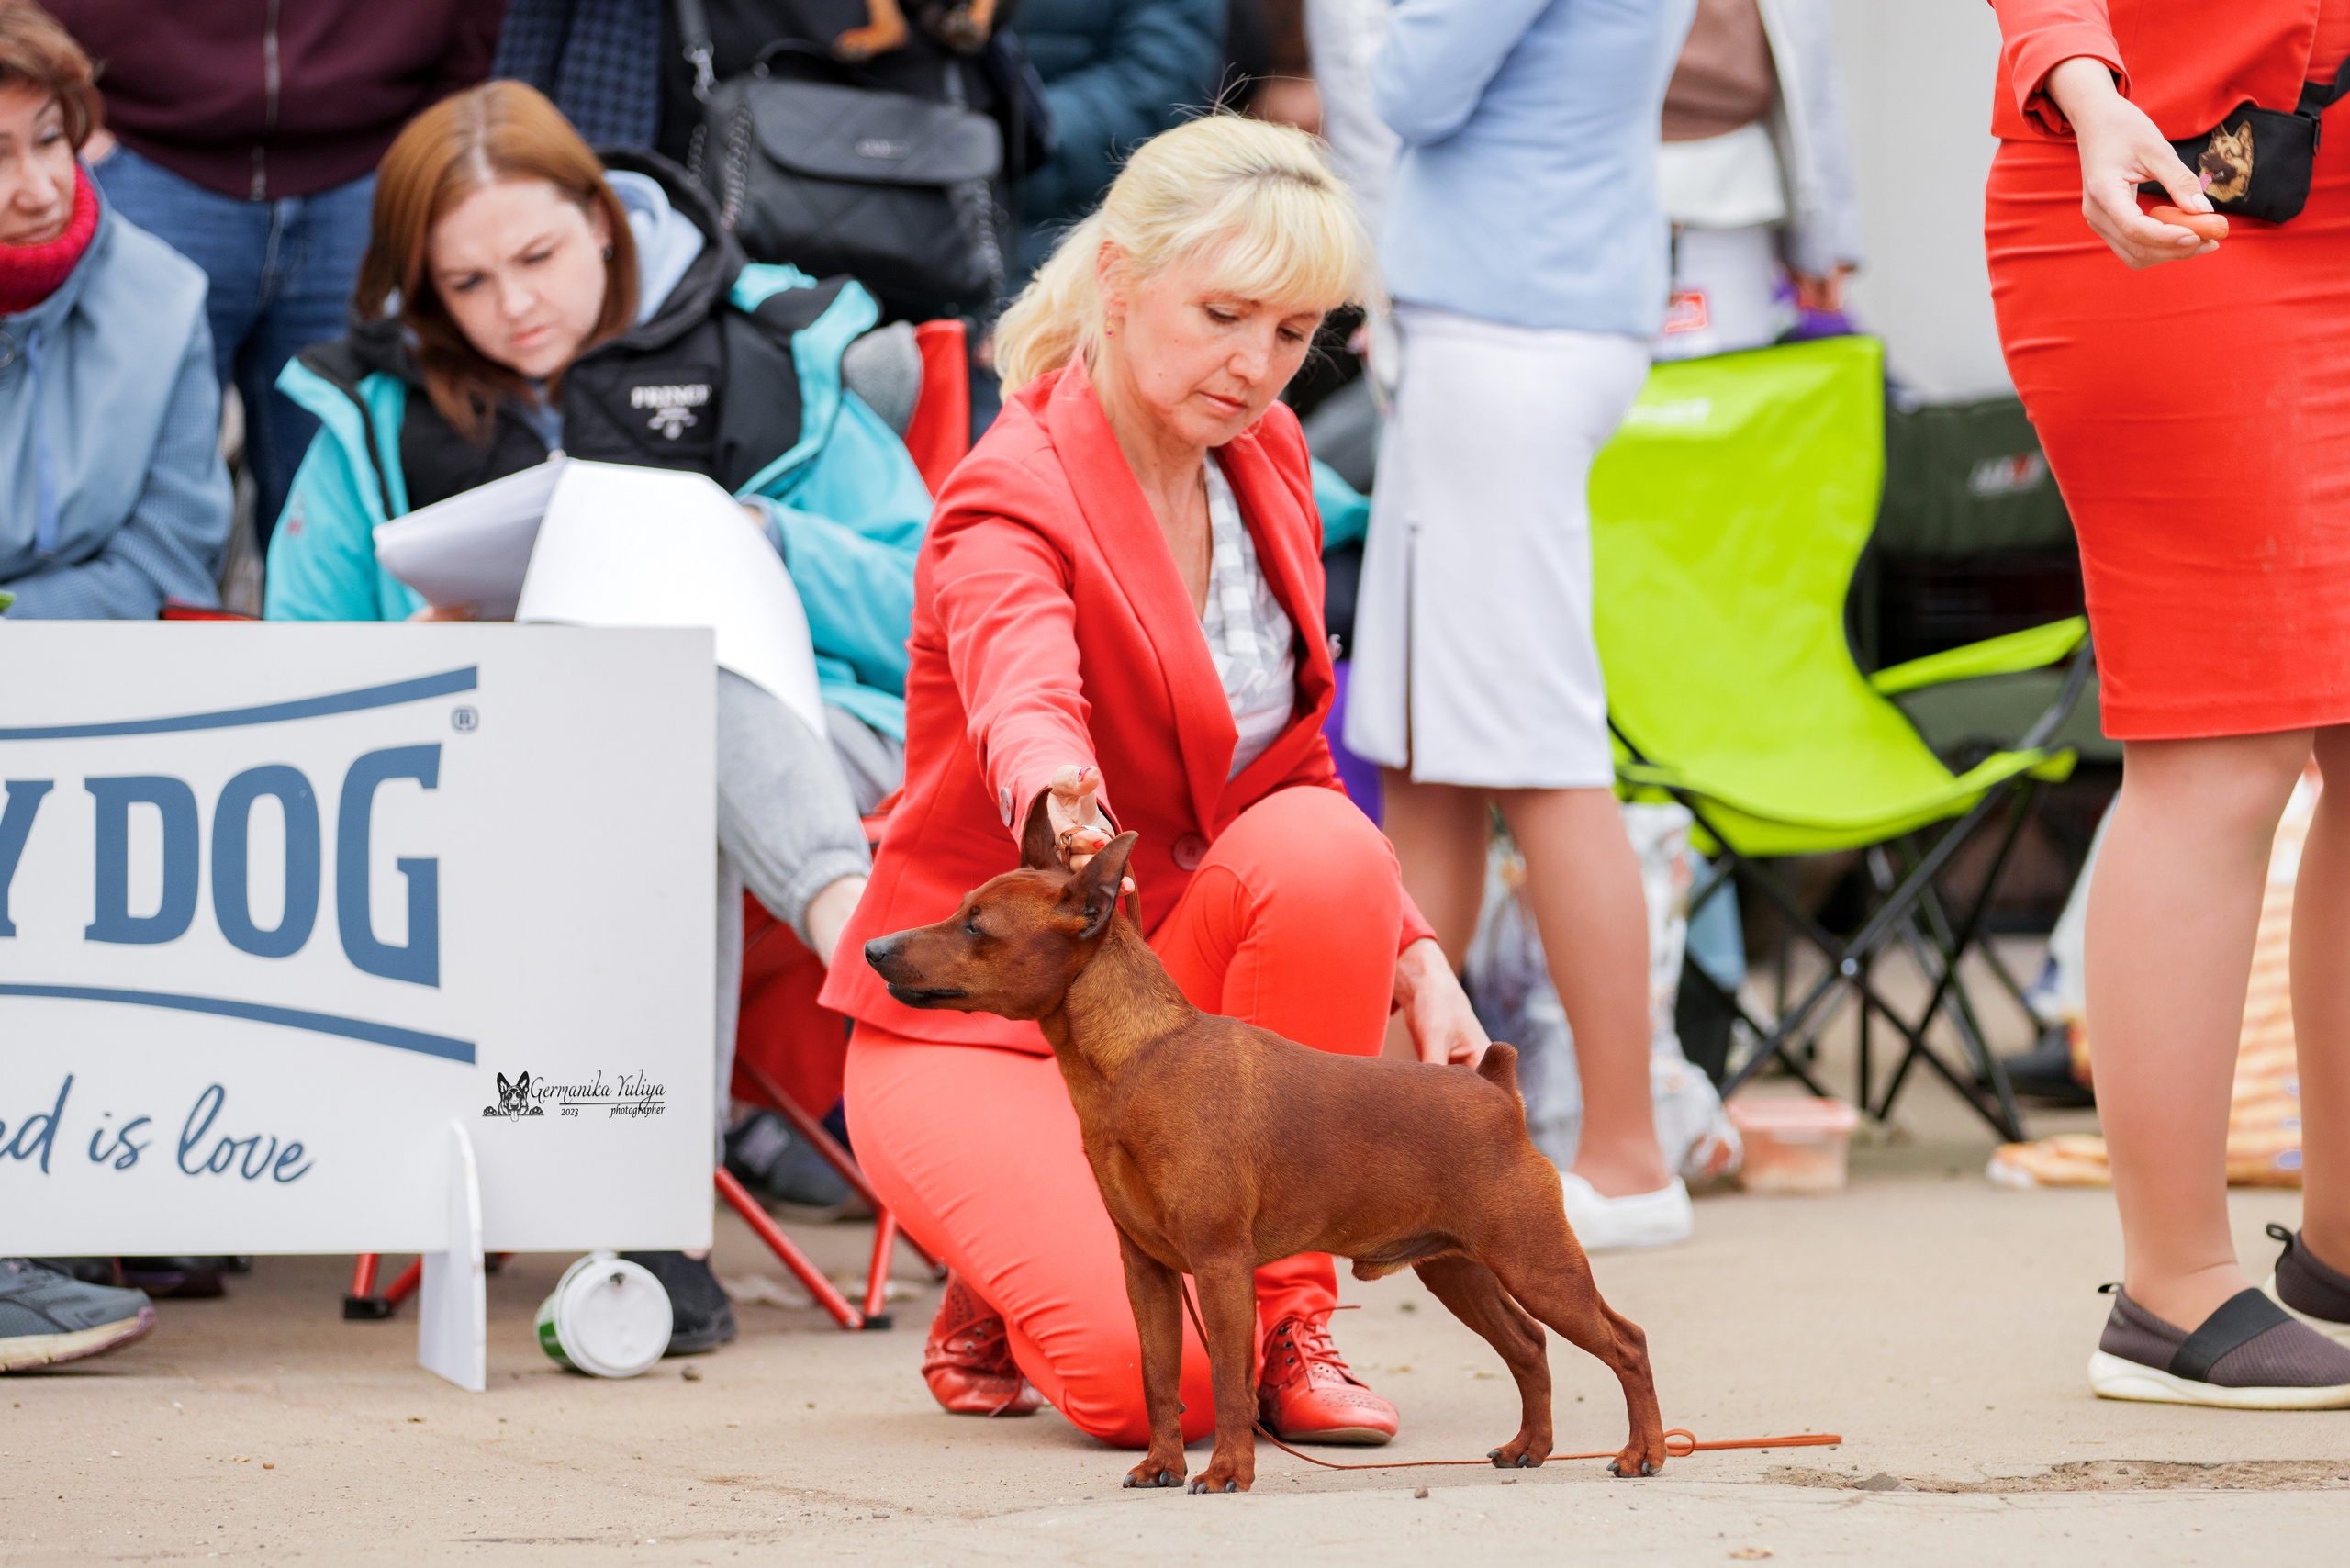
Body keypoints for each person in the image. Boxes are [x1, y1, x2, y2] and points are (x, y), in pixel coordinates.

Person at [818, 114, 1491, 1448]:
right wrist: (1059, 786)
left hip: (1143, 1019)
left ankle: (1294, 1316)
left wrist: (1414, 953)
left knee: (1326, 849)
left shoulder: (1272, 460)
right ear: (1120, 281)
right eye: (1224, 313)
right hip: (974, 1021)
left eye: (1296, 334)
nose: (1255, 369)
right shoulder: (1005, 492)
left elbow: (1294, 763)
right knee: (1163, 1398)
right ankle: (1004, 1269)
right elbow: (1022, 671)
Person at [264, 81, 934, 1352]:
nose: (514, 304)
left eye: (538, 256)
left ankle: (662, 1231)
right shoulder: (377, 407)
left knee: (656, 712)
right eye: (466, 283)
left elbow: (931, 603)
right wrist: (417, 655)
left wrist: (759, 542)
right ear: (421, 290)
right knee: (641, 732)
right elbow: (297, 679)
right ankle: (858, 949)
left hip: (807, 734)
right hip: (486, 776)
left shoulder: (766, 345)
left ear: (604, 220)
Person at [1984, 0, 2350, 1406]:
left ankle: (2341, 1256)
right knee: (2225, 740)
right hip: (2147, 178)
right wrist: (2079, 87)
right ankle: (2171, 1287)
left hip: (2324, 183)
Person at [1344, 0, 1696, 1251]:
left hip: (1508, 326)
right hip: (1522, 312)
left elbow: (1416, 84)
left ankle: (1627, 1156)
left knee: (1541, 756)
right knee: (1427, 758)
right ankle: (1400, 1152)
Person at [0, 0, 229, 1372]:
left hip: (82, 672)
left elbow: (169, 541)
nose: (33, 183)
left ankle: (68, 1194)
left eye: (50, 140)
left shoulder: (163, 295)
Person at [50, 0, 502, 548]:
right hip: (144, 154)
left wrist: (441, 112)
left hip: (370, 162)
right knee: (123, 498)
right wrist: (60, 105)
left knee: (351, 517)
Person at [1653, 0, 1862, 360]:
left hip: (1740, 195)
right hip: (1589, 186)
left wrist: (1825, 236)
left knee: (1734, 391)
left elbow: (1814, 72)